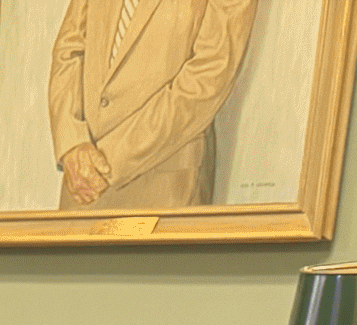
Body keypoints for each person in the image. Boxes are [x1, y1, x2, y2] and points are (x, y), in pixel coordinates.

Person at [47, 0, 258, 210]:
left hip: (164, 188)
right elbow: (69, 48)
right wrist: (72, 143)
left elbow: (209, 79)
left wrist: (109, 160)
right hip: (81, 184)